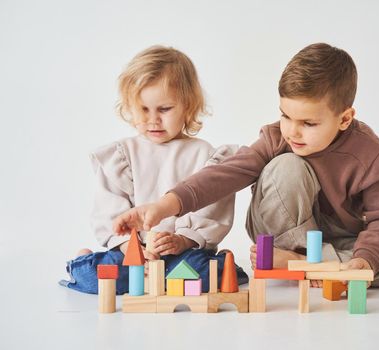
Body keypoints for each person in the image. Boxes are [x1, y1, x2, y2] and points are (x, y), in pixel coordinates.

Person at [113, 43, 379, 288]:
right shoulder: (278, 138)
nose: (292, 130)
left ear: (344, 118)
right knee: (287, 166)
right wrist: (166, 205)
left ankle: (303, 265)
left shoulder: (368, 155)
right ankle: (310, 263)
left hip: (336, 240)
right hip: (278, 232)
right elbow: (227, 174)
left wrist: (365, 261)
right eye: (285, 115)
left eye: (308, 123)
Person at [60, 45, 248, 294]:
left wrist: (181, 240)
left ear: (188, 106)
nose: (153, 119)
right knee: (96, 279)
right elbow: (110, 212)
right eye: (144, 109)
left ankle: (222, 262)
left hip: (182, 254)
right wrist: (133, 248)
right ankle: (83, 261)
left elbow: (212, 210)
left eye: (164, 109)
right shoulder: (122, 156)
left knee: (204, 277)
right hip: (133, 254)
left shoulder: (204, 154)